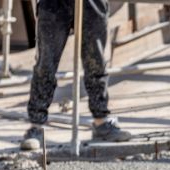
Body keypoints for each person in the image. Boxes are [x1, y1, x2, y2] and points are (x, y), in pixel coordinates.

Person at [21, 0, 132, 151]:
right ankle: (36, 127)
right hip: (54, 4)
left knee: (95, 62)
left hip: (91, 4)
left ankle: (101, 122)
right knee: (45, 65)